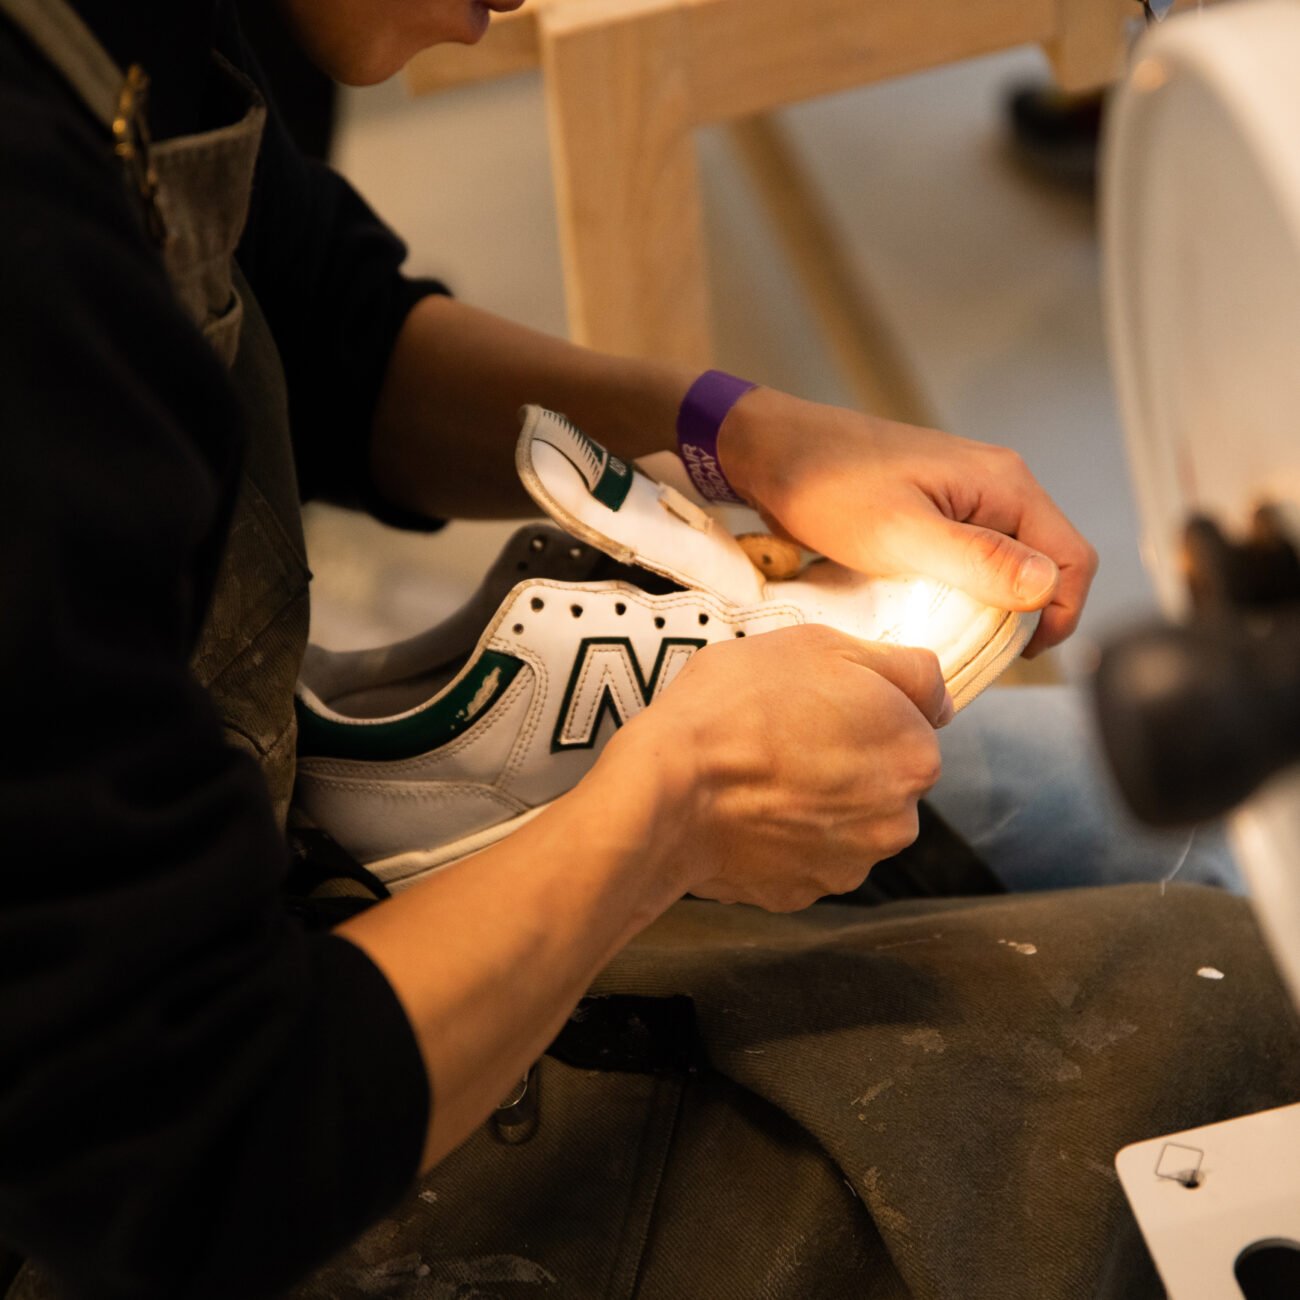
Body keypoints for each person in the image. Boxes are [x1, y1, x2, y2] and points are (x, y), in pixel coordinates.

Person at [2, 2, 1296, 1298]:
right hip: (179, 1173)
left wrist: (743, 439)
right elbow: (183, 1158)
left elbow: (326, 316)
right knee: (1230, 1028)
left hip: (198, 912)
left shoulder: (131, 30)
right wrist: (669, 808)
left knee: (1137, 821)